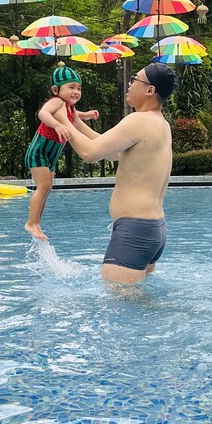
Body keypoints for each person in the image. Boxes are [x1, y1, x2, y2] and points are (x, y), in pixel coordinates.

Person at [57, 62, 177, 284]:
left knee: (118, 305)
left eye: (135, 80)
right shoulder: (159, 123)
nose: (129, 84)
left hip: (135, 230)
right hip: (153, 230)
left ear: (150, 90)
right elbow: (113, 153)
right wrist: (75, 122)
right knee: (139, 305)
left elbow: (88, 153)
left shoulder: (138, 120)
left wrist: (62, 121)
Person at [24, 64, 99, 241]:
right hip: (39, 151)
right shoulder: (56, 101)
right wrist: (57, 124)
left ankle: (36, 223)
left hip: (50, 154)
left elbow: (74, 116)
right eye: (71, 87)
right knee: (43, 187)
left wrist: (86, 115)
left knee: (47, 187)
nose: (76, 92)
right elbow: (43, 113)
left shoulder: (68, 107)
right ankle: (31, 223)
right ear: (55, 90)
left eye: (79, 88)